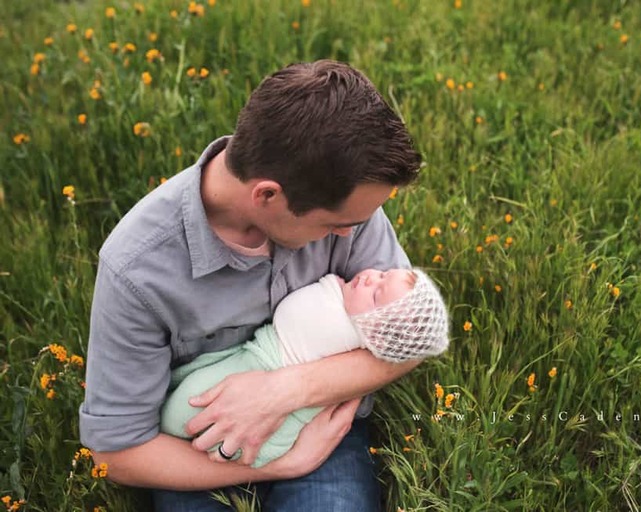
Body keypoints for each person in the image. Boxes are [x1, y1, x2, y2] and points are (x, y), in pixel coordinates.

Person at [79, 59, 425, 511]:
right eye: (337, 225)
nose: (349, 233)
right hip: (194, 448)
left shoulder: (346, 205)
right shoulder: (138, 267)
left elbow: (409, 339)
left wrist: (284, 391)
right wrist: (278, 466)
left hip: (317, 423)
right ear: (267, 195)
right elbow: (118, 453)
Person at [161, 268, 449, 469]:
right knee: (190, 393)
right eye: (383, 275)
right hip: (252, 357)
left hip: (270, 370)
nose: (369, 279)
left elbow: (408, 350)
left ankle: (230, 460)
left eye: (376, 297)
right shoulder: (352, 307)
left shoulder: (352, 334)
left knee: (185, 413)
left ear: (376, 335)